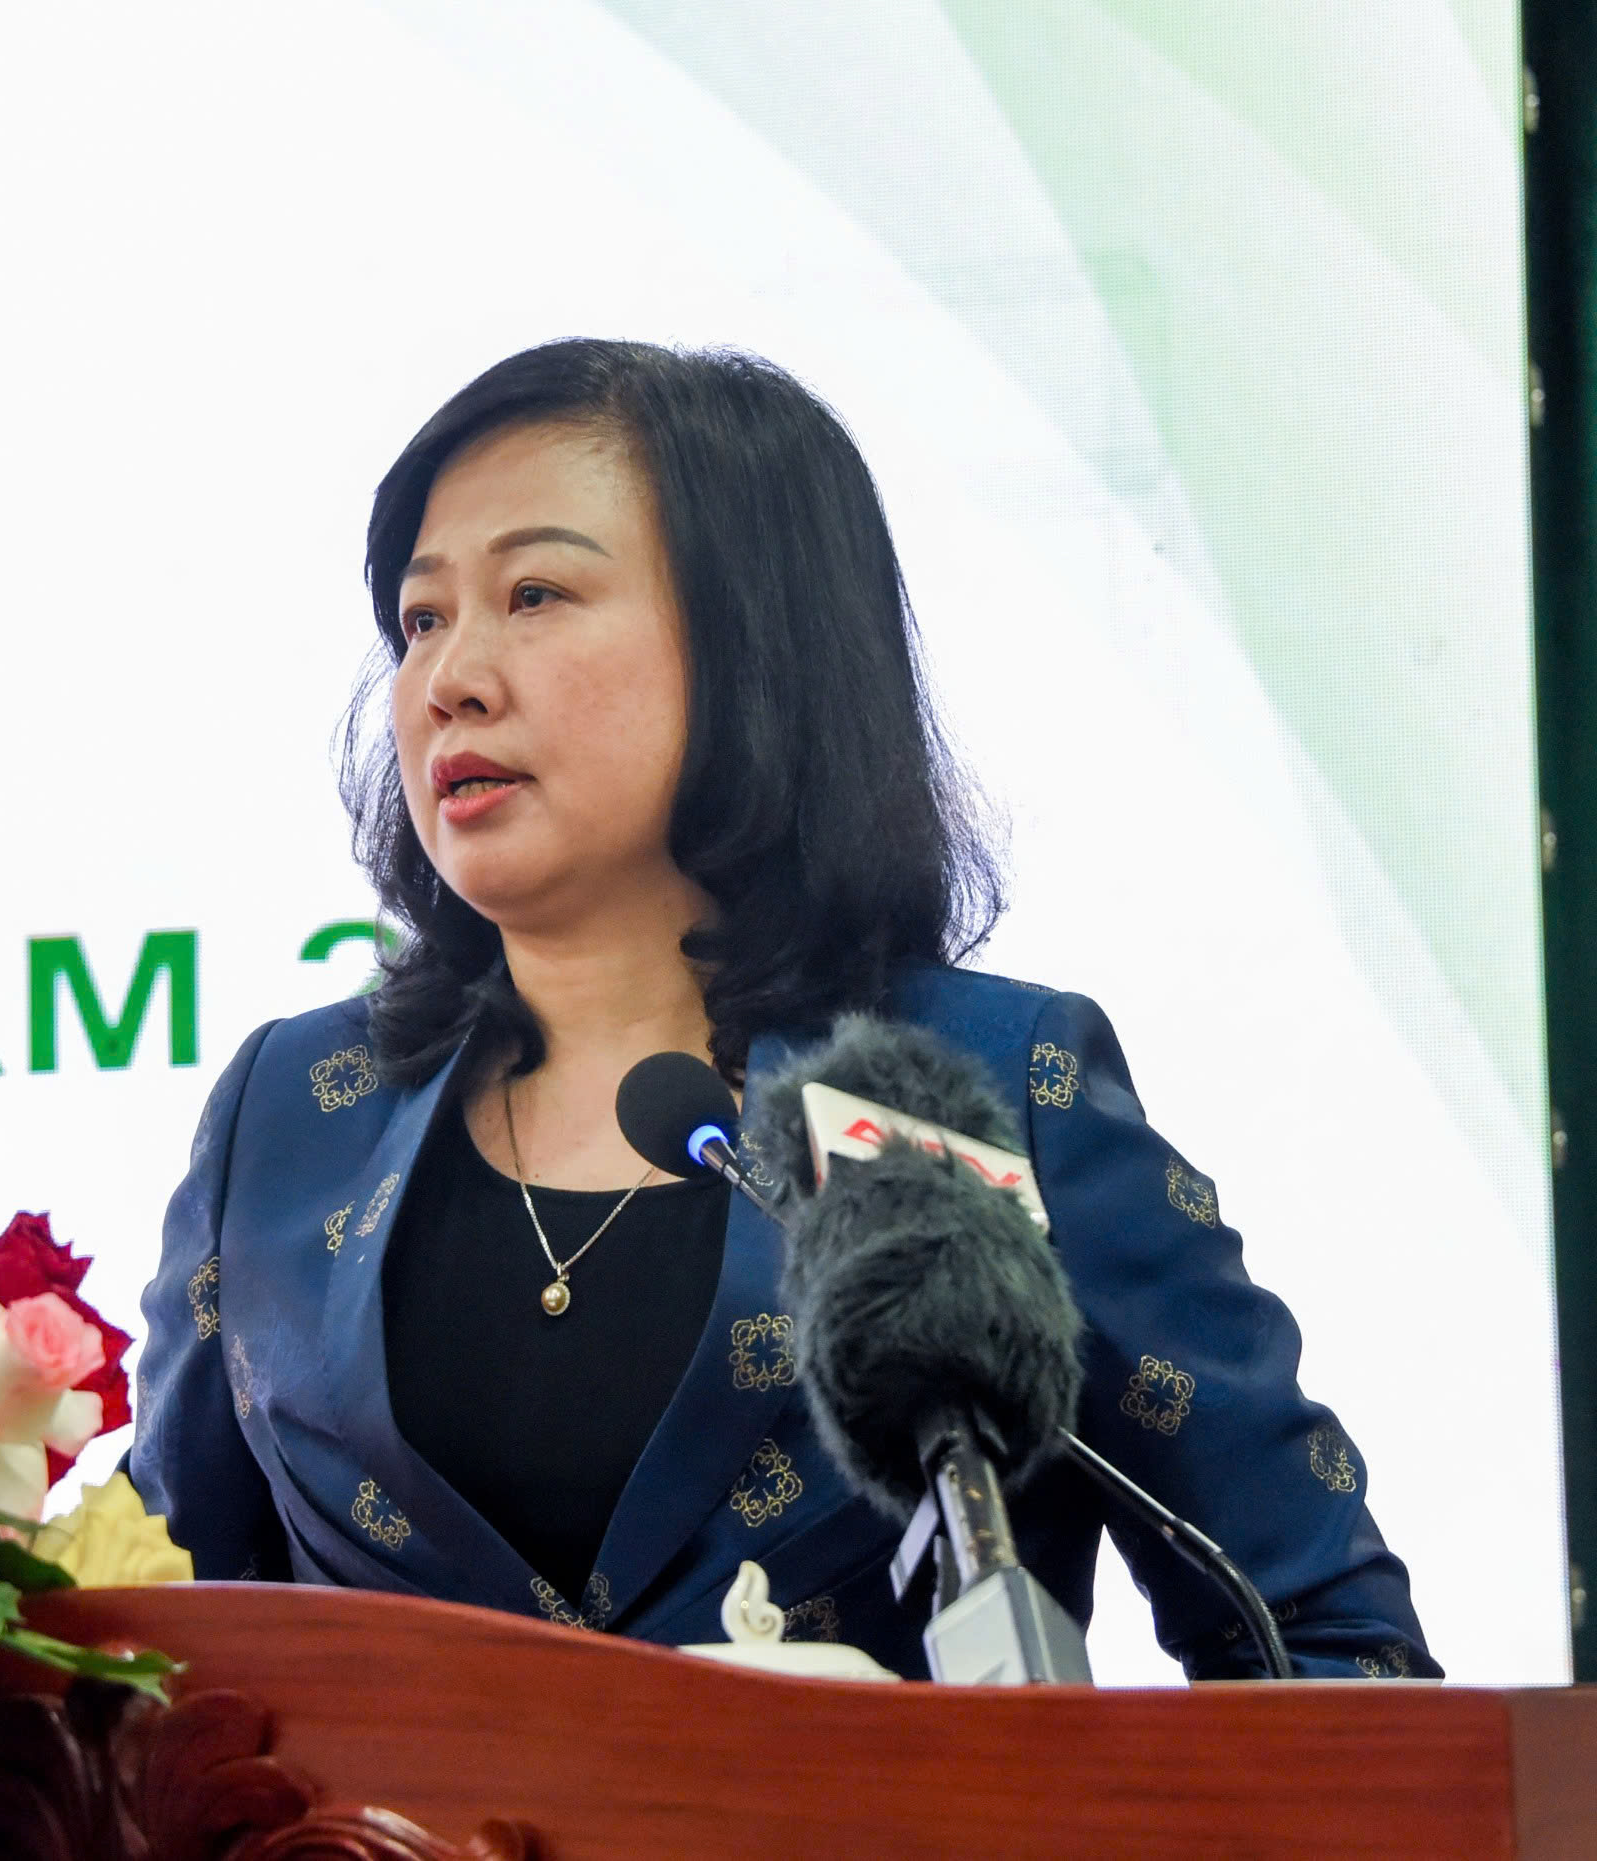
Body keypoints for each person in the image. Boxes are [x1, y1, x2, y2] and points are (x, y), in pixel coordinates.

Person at [129, 339, 1432, 1679]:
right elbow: (131, 1648)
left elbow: (1335, 1655)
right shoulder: (290, 1120)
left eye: (534, 594)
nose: (451, 675)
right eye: (421, 620)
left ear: (752, 640)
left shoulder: (982, 1089)